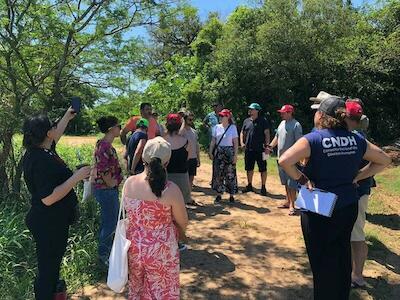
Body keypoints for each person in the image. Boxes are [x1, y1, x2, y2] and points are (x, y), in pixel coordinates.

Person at [278, 96, 391, 300]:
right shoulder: (356, 138)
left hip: (318, 203)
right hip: (348, 204)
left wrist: (302, 179)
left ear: (321, 115)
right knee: (341, 255)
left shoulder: (313, 139)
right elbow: (384, 160)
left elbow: (285, 160)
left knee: (321, 260)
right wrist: (358, 175)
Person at [23, 108, 91, 299]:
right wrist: (76, 177)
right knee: (47, 270)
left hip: (52, 221)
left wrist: (67, 116)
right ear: (47, 133)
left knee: (51, 267)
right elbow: (48, 198)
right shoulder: (40, 160)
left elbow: (55, 136)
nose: (56, 128)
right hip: (47, 222)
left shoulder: (41, 151)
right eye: (52, 126)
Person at [123, 136, 189, 300]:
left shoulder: (129, 183)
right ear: (167, 162)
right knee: (162, 292)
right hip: (162, 250)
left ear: (144, 158)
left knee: (137, 289)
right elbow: (183, 222)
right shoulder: (171, 190)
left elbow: (127, 213)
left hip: (134, 247)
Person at [344, 100, 375, 288]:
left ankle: (357, 276)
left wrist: (358, 176)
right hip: (354, 192)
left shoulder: (356, 137)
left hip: (357, 193)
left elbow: (381, 160)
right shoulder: (354, 135)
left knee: (356, 234)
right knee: (353, 233)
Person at [93, 116, 123, 266]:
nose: (121, 128)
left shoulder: (106, 145)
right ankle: (103, 255)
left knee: (110, 222)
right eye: (119, 126)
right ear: (111, 129)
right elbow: (104, 171)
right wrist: (113, 183)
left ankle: (107, 252)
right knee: (110, 223)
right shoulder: (104, 146)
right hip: (106, 190)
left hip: (108, 189)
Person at [268, 104, 303, 216]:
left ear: (289, 113)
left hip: (291, 160)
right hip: (280, 159)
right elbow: (277, 137)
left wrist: (299, 158)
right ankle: (288, 201)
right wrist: (270, 147)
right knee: (285, 183)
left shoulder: (296, 125)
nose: (281, 114)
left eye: (283, 113)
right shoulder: (282, 123)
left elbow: (299, 143)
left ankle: (293, 205)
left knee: (292, 183)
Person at [209, 109, 239, 203]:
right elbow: (213, 141)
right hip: (219, 151)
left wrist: (235, 155)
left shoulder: (233, 127)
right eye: (220, 116)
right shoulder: (216, 127)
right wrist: (210, 151)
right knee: (218, 173)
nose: (221, 117)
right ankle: (219, 194)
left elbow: (235, 142)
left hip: (229, 151)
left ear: (228, 117)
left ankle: (231, 195)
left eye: (223, 116)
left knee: (230, 173)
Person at [241, 103, 271, 196]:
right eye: (250, 109)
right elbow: (242, 132)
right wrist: (242, 143)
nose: (250, 110)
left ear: (257, 110)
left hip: (261, 149)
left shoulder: (263, 121)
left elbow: (267, 134)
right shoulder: (246, 121)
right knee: (249, 168)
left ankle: (263, 187)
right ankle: (249, 185)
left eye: (252, 109)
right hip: (249, 149)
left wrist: (267, 146)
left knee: (263, 168)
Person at [164, 114, 192, 205]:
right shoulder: (186, 142)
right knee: (181, 206)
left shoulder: (162, 141)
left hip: (166, 178)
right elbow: (188, 158)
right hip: (182, 179)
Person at [181, 111, 201, 198]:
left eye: (192, 119)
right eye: (189, 119)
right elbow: (179, 134)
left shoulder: (194, 132)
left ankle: (188, 196)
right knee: (184, 179)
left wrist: (198, 158)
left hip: (193, 158)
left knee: (191, 179)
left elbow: (197, 145)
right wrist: (183, 122)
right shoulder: (181, 131)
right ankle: (182, 197)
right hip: (184, 159)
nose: (191, 121)